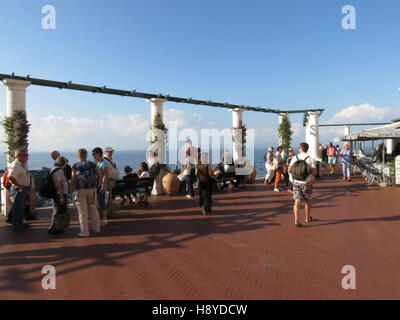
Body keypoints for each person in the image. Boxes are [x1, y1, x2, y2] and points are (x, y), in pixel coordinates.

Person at [71, 148, 101, 238]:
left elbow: (73, 178)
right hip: (91, 190)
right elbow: (100, 175)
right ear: (86, 155)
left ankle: (85, 232)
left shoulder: (75, 165)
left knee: (82, 212)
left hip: (81, 190)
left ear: (78, 155)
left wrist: (72, 187)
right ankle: (97, 228)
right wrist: (97, 185)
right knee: (93, 209)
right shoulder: (92, 164)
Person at [288, 142, 317, 227]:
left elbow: (289, 169)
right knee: (307, 201)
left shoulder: (295, 157)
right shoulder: (310, 158)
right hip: (307, 182)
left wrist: (295, 173)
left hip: (296, 182)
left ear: (300, 148)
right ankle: (307, 218)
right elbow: (314, 172)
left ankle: (296, 220)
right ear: (307, 149)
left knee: (297, 201)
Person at [8, 149, 31, 232]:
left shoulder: (22, 164)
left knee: (18, 206)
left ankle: (13, 220)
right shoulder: (16, 165)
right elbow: (10, 177)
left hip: (22, 188)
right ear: (18, 156)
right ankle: (17, 226)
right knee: (18, 207)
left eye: (27, 155)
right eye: (25, 155)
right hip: (18, 189)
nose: (27, 157)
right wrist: (20, 186)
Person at [48, 156, 69, 234]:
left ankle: (54, 227)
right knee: (58, 211)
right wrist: (61, 197)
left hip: (55, 193)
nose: (67, 163)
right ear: (62, 163)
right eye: (66, 161)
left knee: (56, 210)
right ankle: (55, 228)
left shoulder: (53, 169)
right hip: (59, 194)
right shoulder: (59, 171)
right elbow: (59, 185)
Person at [92, 147, 110, 227]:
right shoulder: (95, 162)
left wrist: (103, 185)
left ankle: (104, 219)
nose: (93, 155)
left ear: (99, 154)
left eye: (94, 154)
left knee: (102, 203)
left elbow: (106, 175)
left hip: (101, 186)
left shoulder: (104, 163)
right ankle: (98, 219)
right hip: (95, 185)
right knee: (96, 203)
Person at [103, 146, 119, 219]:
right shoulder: (104, 160)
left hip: (112, 180)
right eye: (109, 152)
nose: (111, 153)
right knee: (109, 197)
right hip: (108, 180)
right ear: (105, 152)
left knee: (109, 196)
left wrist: (115, 179)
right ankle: (111, 212)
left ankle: (110, 212)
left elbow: (115, 170)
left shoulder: (111, 160)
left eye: (111, 151)